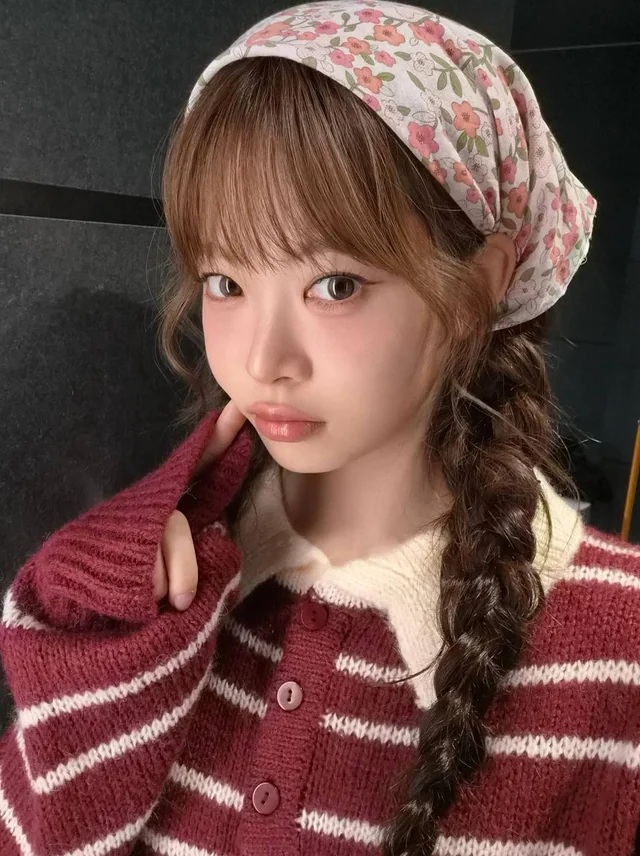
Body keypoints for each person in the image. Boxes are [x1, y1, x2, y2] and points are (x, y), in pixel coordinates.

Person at [1, 2, 639, 854]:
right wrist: (93, 622)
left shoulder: (619, 649)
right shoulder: (161, 592)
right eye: (225, 282)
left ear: (479, 289)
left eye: (335, 285)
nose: (263, 359)